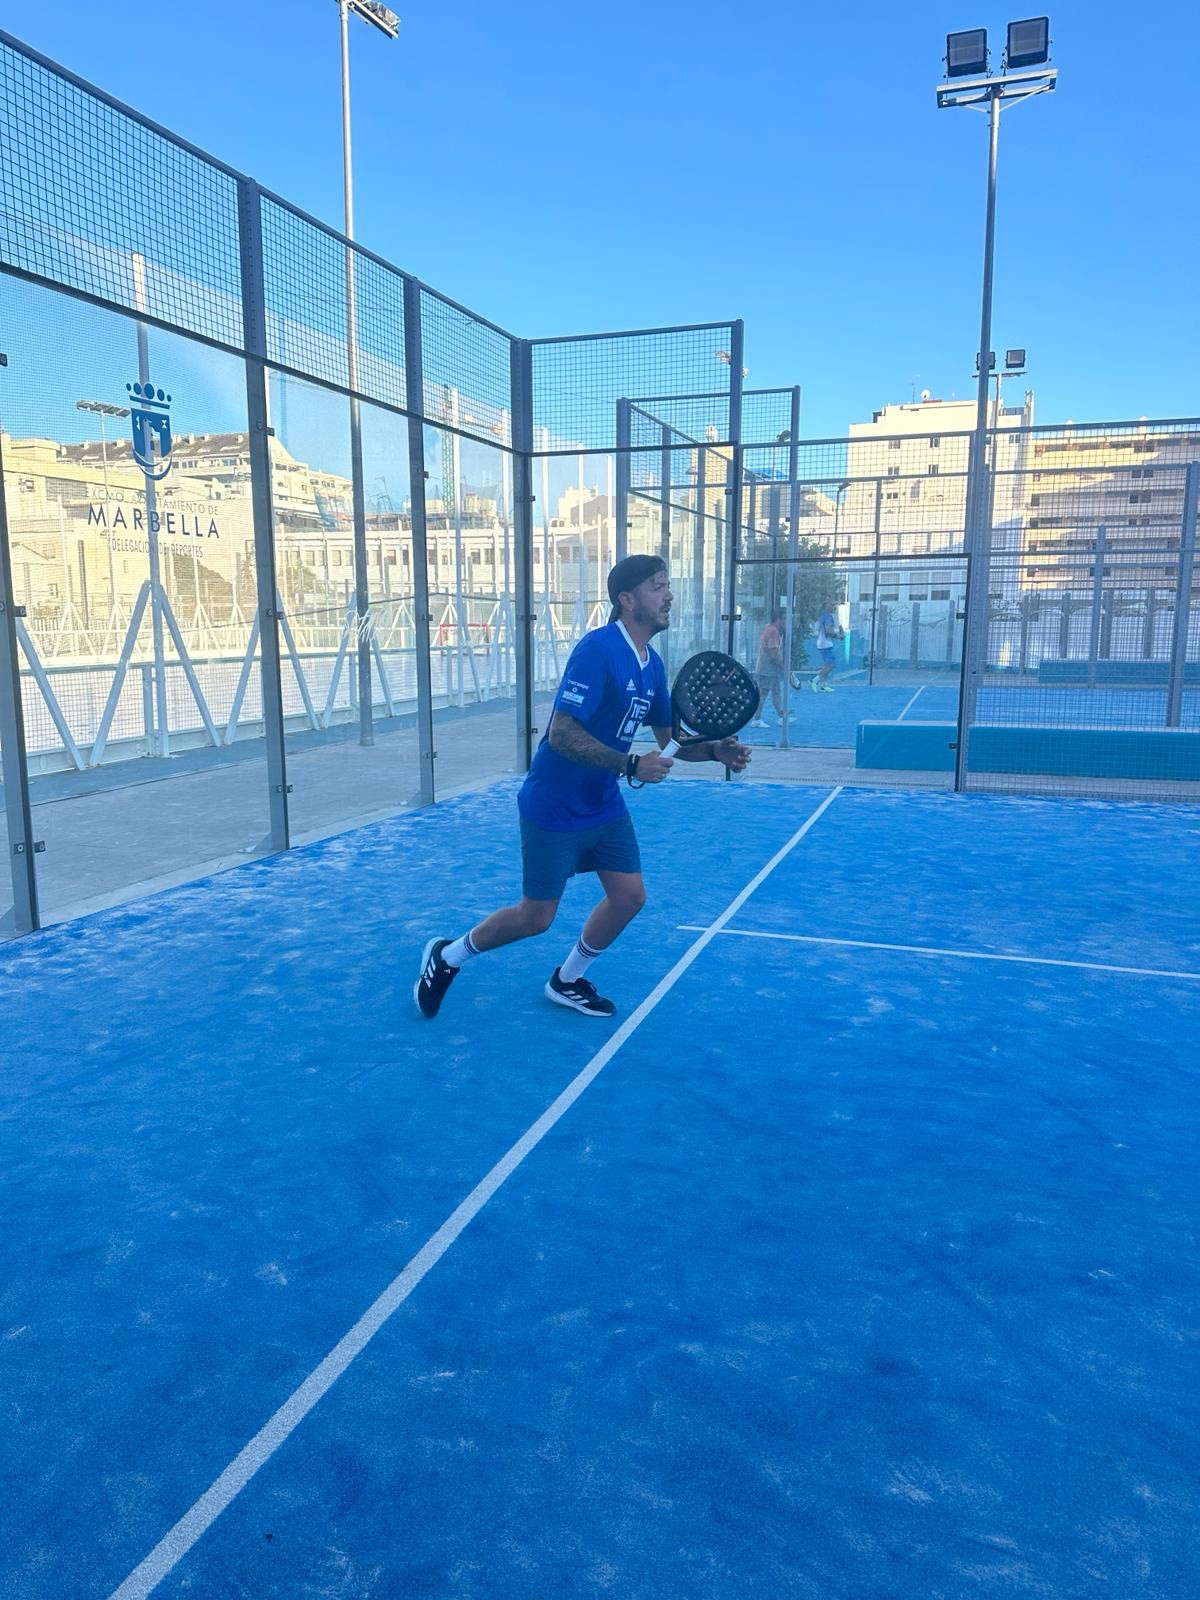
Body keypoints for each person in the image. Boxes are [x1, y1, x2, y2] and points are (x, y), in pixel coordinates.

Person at [415, 555, 752, 1021]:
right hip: (553, 806)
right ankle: (448, 956)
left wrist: (714, 751)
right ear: (627, 599)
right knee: (536, 918)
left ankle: (567, 979)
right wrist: (630, 763)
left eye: (667, 585)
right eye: (658, 586)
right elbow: (562, 733)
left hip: (603, 804)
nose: (669, 595)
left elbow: (669, 740)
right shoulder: (598, 650)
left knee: (629, 897)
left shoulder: (652, 666)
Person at [749, 608, 785, 728]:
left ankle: (781, 717)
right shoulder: (773, 631)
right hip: (767, 669)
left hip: (770, 669)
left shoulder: (769, 629)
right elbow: (773, 653)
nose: (785, 622)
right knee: (763, 693)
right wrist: (782, 667)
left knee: (776, 692)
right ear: (779, 619)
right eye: (784, 619)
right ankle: (756, 719)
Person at [809, 607, 844, 693]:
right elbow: (828, 631)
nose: (834, 606)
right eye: (832, 604)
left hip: (823, 643)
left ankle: (824, 685)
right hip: (825, 644)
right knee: (830, 665)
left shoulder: (823, 616)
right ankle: (814, 681)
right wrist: (839, 636)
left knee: (827, 665)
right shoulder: (827, 616)